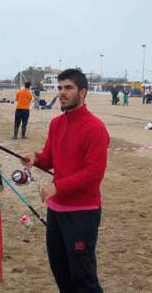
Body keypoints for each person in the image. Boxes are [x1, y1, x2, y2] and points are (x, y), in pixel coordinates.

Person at [21, 69, 109, 292]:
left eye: (68, 88)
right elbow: (49, 158)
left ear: (83, 92)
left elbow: (93, 173)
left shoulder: (95, 128)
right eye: (59, 88)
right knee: (61, 272)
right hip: (56, 212)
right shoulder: (56, 124)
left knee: (83, 277)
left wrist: (57, 186)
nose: (62, 92)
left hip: (82, 213)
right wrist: (35, 158)